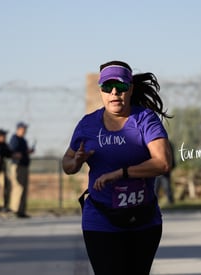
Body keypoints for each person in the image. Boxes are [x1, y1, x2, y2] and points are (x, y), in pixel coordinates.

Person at [62, 60, 173, 275]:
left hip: (143, 220)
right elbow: (66, 164)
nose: (114, 92)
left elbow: (163, 163)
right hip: (100, 218)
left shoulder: (145, 120)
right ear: (101, 90)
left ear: (130, 89)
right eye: (107, 87)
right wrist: (75, 161)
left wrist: (121, 173)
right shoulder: (88, 125)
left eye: (121, 87)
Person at [9, 122, 34, 218]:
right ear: (19, 129)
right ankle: (14, 210)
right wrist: (17, 154)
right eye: (23, 128)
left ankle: (21, 211)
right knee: (18, 187)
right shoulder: (14, 139)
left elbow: (24, 151)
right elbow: (12, 151)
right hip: (17, 166)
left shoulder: (23, 140)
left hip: (24, 166)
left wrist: (28, 152)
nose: (25, 130)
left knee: (24, 188)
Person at [0, 129, 13, 213]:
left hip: (1, 169)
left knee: (3, 186)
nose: (4, 137)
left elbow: (9, 154)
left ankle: (2, 205)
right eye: (3, 136)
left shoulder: (4, 145)